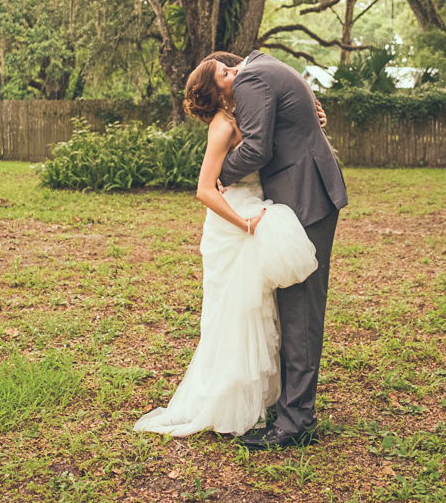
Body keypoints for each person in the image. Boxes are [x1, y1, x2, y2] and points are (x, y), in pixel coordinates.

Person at [132, 53, 321, 438]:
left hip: (254, 208)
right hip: (236, 222)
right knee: (236, 313)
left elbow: (270, 136)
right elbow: (205, 188)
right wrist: (245, 223)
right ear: (215, 92)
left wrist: (308, 118)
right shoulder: (222, 126)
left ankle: (269, 399)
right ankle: (231, 399)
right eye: (225, 73)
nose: (235, 72)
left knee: (259, 310)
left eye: (232, 68)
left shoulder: (246, 113)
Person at [217, 49, 348, 450]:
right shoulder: (268, 67)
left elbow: (258, 149)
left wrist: (218, 172)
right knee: (293, 307)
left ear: (229, 70)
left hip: (306, 196)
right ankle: (291, 406)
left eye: (220, 80)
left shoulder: (250, 79)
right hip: (307, 192)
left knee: (301, 311)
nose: (225, 95)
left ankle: (296, 423)